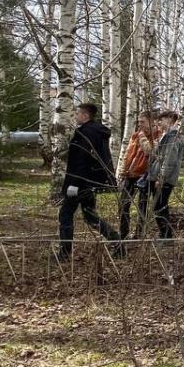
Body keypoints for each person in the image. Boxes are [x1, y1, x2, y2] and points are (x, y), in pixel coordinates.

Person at [57, 103, 121, 261]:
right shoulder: (95, 131)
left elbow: (83, 160)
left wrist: (74, 184)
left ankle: (64, 254)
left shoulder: (87, 133)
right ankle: (117, 242)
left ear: (85, 116)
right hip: (88, 182)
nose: (76, 116)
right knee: (90, 217)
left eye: (78, 113)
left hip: (81, 183)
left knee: (65, 215)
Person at [148, 110, 184, 241]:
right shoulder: (167, 136)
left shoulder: (173, 137)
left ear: (170, 119)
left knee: (160, 207)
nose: (159, 122)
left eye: (161, 119)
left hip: (165, 179)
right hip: (160, 176)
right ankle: (164, 235)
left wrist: (161, 177)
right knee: (158, 207)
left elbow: (170, 160)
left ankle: (166, 236)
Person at [118, 111, 157, 239]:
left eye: (142, 122)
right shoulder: (135, 136)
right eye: (138, 122)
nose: (139, 124)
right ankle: (123, 233)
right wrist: (123, 171)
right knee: (123, 204)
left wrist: (142, 137)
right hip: (131, 174)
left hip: (145, 175)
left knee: (142, 206)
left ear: (151, 122)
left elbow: (149, 152)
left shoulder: (157, 135)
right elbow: (128, 154)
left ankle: (139, 234)